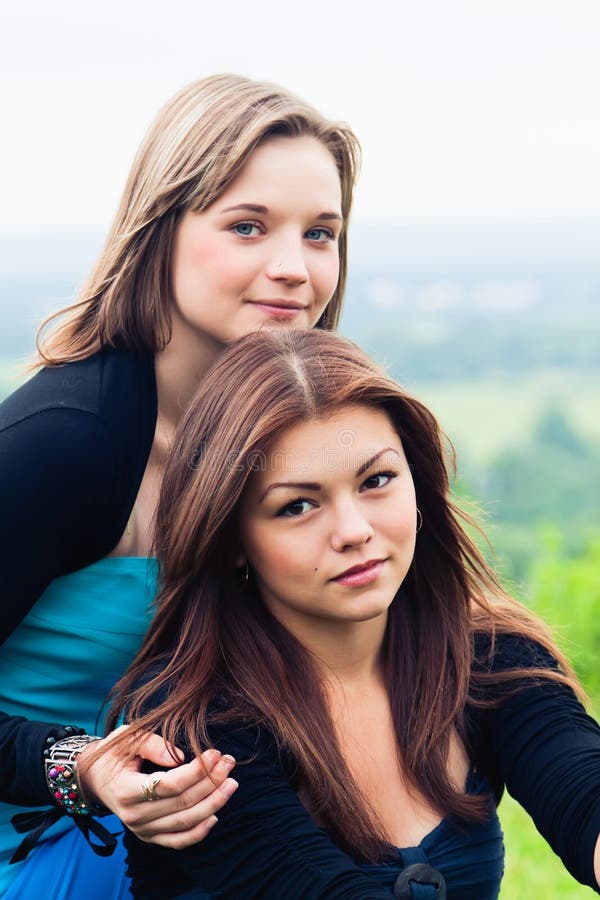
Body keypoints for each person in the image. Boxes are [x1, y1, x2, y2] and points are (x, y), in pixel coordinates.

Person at [0, 74, 360, 897]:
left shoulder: (292, 432)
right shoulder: (61, 446)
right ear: (159, 230)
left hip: (210, 816)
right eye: (247, 227)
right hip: (46, 841)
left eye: (320, 234)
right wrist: (83, 769)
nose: (293, 268)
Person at [107, 329, 600, 899]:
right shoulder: (191, 726)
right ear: (230, 537)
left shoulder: (489, 657)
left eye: (377, 480)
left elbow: (579, 784)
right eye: (297, 506)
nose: (354, 531)